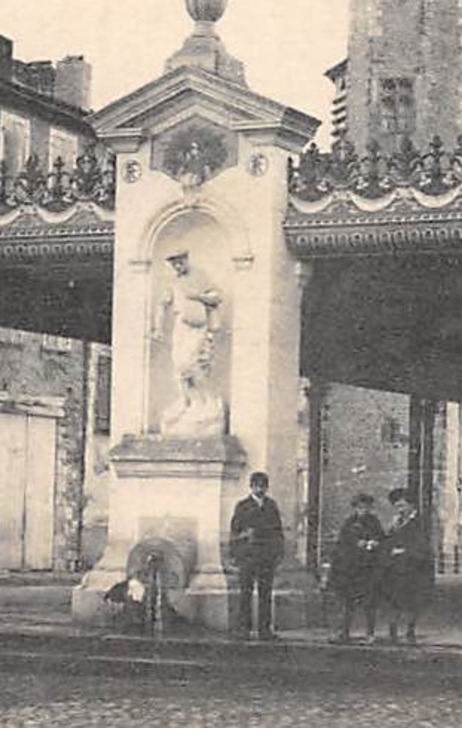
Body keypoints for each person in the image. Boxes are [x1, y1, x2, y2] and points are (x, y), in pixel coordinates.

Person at [155, 249, 226, 437]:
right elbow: (162, 304)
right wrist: (158, 328)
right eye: (174, 264)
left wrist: (198, 297)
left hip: (198, 326)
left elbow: (217, 297)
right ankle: (186, 401)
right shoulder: (173, 282)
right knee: (179, 366)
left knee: (190, 363)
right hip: (181, 325)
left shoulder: (200, 277)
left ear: (186, 260)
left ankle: (205, 401)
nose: (178, 266)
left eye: (180, 262)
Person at [229, 471, 285, 641]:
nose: (260, 489)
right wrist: (243, 539)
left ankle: (264, 630)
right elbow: (234, 532)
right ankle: (243, 629)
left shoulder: (271, 506)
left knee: (265, 594)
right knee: (245, 593)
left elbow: (278, 531)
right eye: (257, 485)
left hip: (266, 557)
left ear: (266, 487)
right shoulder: (242, 506)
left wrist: (278, 553)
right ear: (251, 486)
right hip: (248, 556)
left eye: (263, 486)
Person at [327, 492, 385, 643]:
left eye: (365, 507)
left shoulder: (374, 522)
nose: (362, 510)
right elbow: (342, 543)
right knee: (348, 602)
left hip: (368, 568)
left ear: (370, 508)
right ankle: (344, 632)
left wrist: (374, 543)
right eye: (359, 507)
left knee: (369, 603)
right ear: (354, 508)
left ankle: (370, 634)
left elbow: (382, 540)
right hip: (351, 568)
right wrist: (355, 545)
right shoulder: (349, 523)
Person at [379, 488, 433, 644]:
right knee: (394, 600)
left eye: (402, 506)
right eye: (397, 506)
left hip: (414, 568)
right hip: (397, 568)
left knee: (412, 601)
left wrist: (405, 550)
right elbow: (388, 541)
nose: (399, 509)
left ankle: (410, 631)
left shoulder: (420, 522)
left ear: (411, 505)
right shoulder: (396, 522)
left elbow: (422, 545)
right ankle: (393, 632)